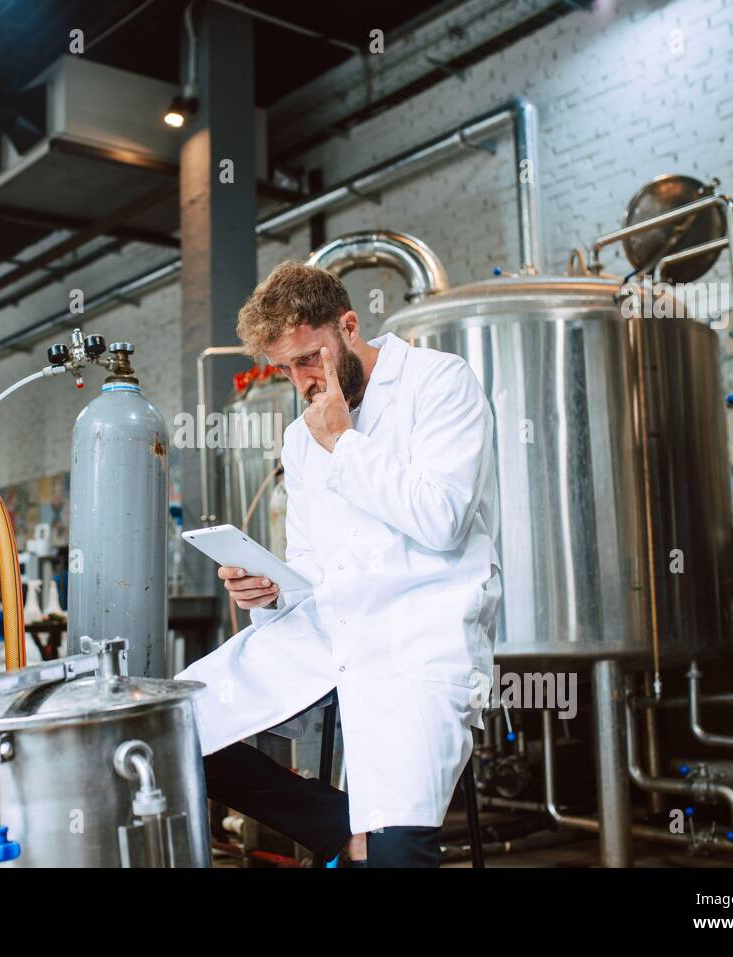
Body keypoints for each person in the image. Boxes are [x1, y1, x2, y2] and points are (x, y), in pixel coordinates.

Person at [176, 260, 502, 867]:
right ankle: (338, 829)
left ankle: (374, 843)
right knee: (170, 728)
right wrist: (271, 592)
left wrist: (343, 443)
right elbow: (310, 563)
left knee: (400, 852)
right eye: (286, 368)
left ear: (348, 327)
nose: (302, 380)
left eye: (309, 358)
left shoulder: (439, 382)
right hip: (328, 628)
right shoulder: (301, 438)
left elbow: (443, 518)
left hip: (419, 639)